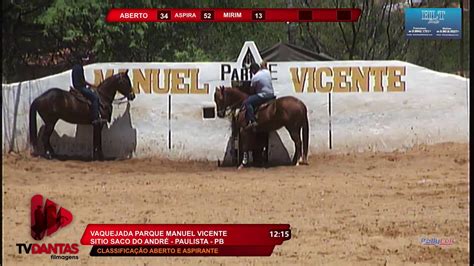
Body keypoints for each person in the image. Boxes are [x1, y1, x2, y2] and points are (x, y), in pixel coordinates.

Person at [71, 52, 106, 125]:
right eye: (84, 60)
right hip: (80, 88)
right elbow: (82, 80)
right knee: (95, 98)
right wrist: (92, 85)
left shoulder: (74, 67)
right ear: (81, 60)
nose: (85, 62)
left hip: (76, 86)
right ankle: (95, 118)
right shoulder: (79, 67)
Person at [243, 62, 275, 129]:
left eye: (251, 71)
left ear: (254, 70)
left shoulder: (255, 77)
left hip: (263, 96)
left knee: (247, 102)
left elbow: (251, 91)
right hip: (272, 94)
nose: (252, 73)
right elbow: (265, 66)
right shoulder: (267, 72)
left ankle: (252, 121)